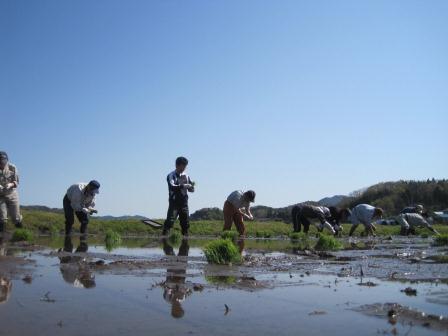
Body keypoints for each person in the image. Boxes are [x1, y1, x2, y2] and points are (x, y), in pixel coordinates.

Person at [162, 157, 195, 236]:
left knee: (185, 223)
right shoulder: (171, 175)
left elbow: (191, 189)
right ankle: (164, 239)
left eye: (185, 166)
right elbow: (172, 186)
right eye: (182, 166)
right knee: (170, 221)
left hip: (184, 202)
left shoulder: (186, 175)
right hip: (174, 201)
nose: (183, 168)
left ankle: (185, 242)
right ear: (176, 165)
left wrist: (191, 187)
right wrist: (183, 186)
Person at [0, 151, 23, 233]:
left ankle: (21, 235)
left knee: (16, 217)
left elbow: (16, 182)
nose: (1, 164)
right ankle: (1, 238)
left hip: (12, 193)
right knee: (2, 217)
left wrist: (10, 184)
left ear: (6, 160)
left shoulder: (12, 167)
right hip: (0, 196)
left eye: (3, 162)